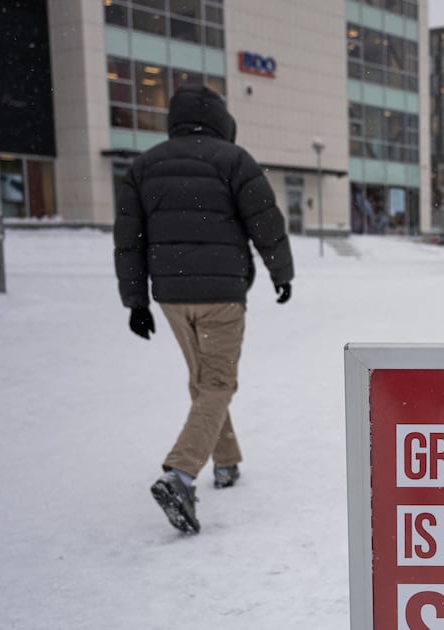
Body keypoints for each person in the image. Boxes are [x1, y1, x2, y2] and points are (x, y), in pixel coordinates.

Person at [113, 84, 294, 534]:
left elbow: (128, 241)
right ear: (221, 119)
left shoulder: (144, 166)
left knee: (203, 382)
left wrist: (136, 301)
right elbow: (266, 222)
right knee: (217, 383)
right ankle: (180, 474)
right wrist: (281, 273)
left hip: (172, 297)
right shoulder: (233, 160)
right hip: (221, 294)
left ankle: (227, 462)